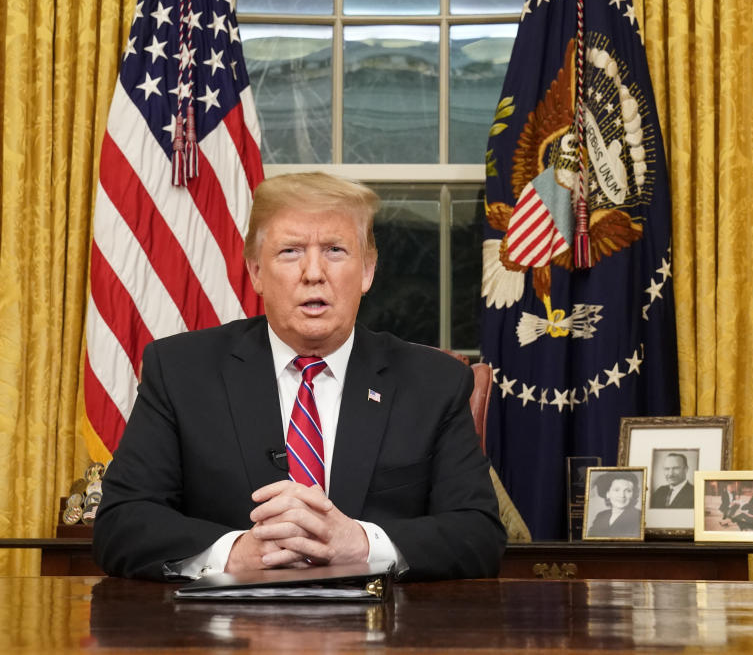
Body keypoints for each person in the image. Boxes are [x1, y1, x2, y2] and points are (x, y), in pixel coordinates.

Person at [93, 172, 506, 582]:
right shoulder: (181, 371)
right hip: (222, 637)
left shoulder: (433, 383)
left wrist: (361, 544)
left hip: (380, 637)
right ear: (255, 271)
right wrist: (234, 553)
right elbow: (121, 523)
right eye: (290, 251)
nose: (313, 273)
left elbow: (478, 533)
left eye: (335, 250)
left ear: (367, 271)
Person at [587, 471, 642, 537]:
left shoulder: (639, 517)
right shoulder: (601, 516)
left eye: (628, 491)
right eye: (616, 490)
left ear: (633, 495)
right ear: (607, 494)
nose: (622, 495)